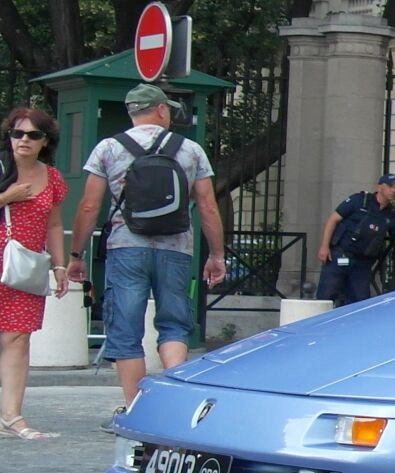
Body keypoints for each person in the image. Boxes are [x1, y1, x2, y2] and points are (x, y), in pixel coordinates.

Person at [65, 84, 226, 429]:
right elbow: (208, 207)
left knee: (126, 328)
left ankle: (136, 409)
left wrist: (76, 254)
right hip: (176, 248)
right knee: (173, 324)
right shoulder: (190, 149)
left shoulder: (109, 148)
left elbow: (90, 205)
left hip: (126, 246)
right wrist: (216, 254)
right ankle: (176, 404)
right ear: (161, 110)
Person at [0, 106, 70, 440]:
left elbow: (55, 223)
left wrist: (59, 265)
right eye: (17, 133)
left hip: (25, 265)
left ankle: (12, 415)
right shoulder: (1, 167)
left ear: (45, 141)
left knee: (18, 337)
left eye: (33, 135)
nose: (23, 140)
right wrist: (5, 197)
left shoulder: (52, 177)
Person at [316, 174, 395, 302]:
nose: (394, 190)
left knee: (359, 302)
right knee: (326, 297)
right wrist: (324, 246)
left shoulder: (391, 215)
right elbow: (333, 220)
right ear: (380, 187)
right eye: (390, 186)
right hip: (340, 255)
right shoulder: (360, 200)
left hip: (362, 264)